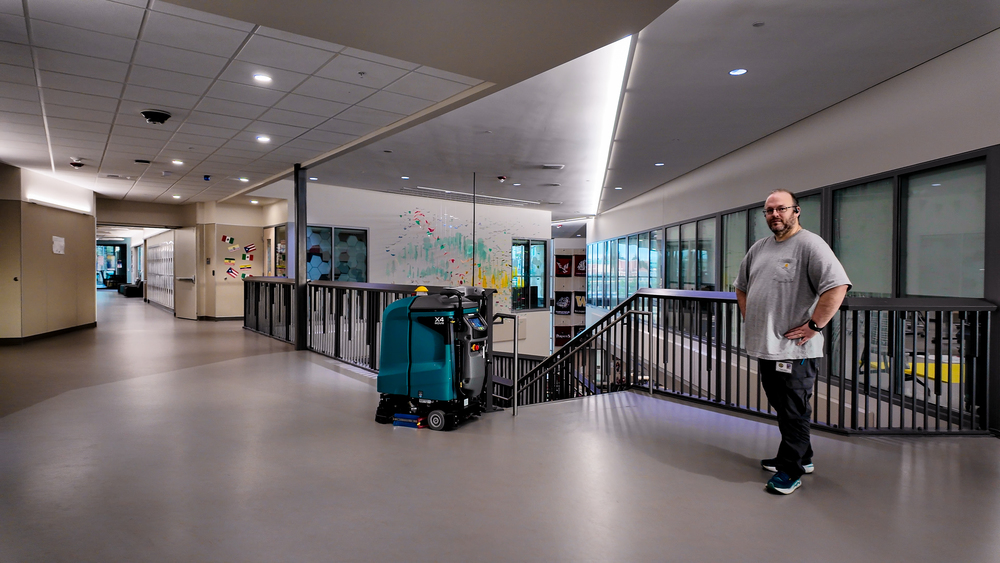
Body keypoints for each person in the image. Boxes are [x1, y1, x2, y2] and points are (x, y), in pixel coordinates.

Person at [734, 189, 851, 495]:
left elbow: (837, 286)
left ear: (796, 211)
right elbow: (741, 287)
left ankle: (791, 470)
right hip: (767, 346)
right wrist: (751, 316)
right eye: (769, 210)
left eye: (781, 209)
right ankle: (804, 456)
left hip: (794, 350)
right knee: (783, 406)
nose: (774, 214)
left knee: (793, 410)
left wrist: (814, 325)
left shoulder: (810, 245)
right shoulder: (760, 248)